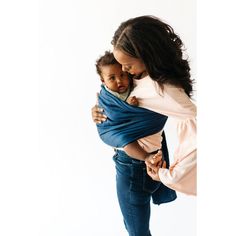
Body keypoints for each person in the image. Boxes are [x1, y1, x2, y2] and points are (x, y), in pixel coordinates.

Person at [92, 15, 196, 236]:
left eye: (127, 66)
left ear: (146, 55)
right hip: (145, 158)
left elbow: (191, 118)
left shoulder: (160, 90)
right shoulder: (143, 78)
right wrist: (100, 109)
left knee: (136, 229)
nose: (125, 74)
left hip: (133, 165)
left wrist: (174, 173)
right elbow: (109, 102)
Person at [95, 50, 165, 161]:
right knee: (125, 140)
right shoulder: (106, 95)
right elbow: (110, 111)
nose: (119, 81)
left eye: (122, 75)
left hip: (152, 141)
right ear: (103, 81)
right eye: (112, 78)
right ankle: (145, 157)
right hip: (117, 133)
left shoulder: (133, 84)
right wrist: (128, 105)